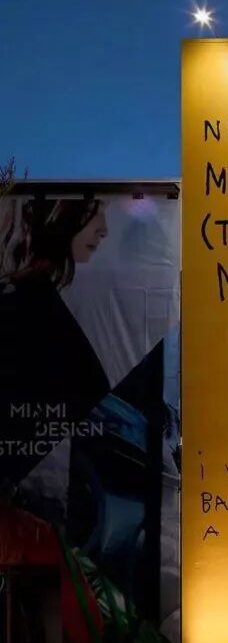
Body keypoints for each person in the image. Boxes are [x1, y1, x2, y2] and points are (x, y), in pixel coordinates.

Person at [0, 198, 110, 483]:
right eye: (95, 209)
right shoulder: (31, 300)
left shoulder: (31, 296)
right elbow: (91, 386)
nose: (104, 229)